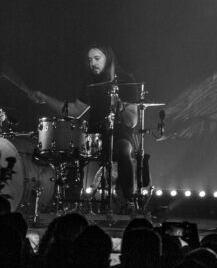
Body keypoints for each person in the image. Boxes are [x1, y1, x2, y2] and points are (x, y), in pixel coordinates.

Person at [31, 44, 138, 208]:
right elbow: (74, 111)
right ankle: (72, 202)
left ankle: (128, 199)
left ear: (108, 58)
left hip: (120, 134)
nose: (92, 63)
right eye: (89, 60)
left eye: (97, 58)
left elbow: (132, 121)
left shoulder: (126, 80)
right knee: (72, 150)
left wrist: (120, 105)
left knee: (123, 149)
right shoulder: (90, 82)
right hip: (95, 134)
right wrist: (45, 98)